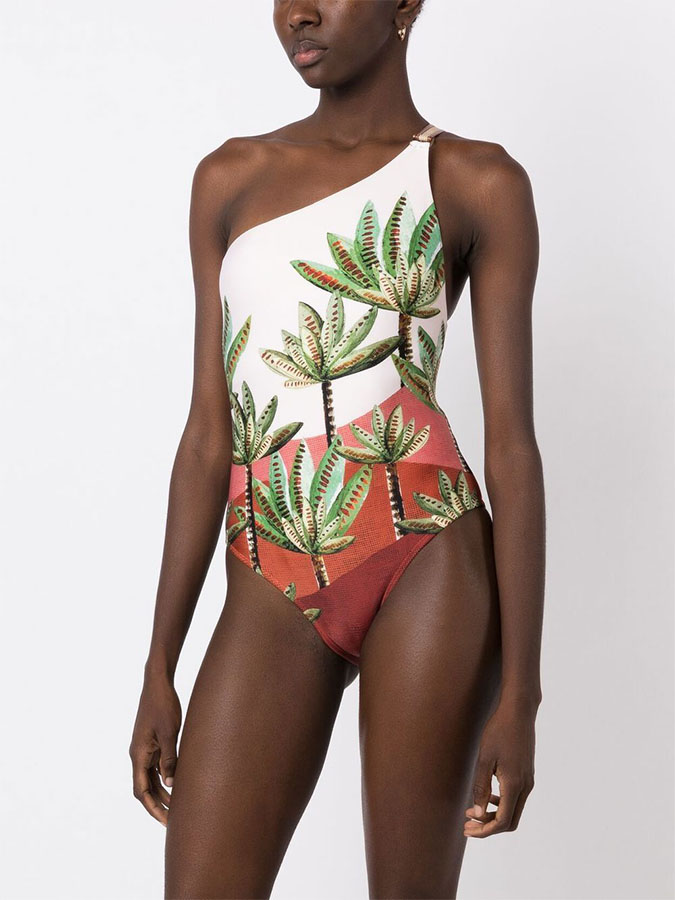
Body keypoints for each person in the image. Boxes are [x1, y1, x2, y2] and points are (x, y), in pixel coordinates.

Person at [130, 1, 545, 897]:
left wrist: (521, 692)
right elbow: (207, 435)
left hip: (426, 553)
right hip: (269, 566)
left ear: (405, 4)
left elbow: (511, 448)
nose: (298, 13)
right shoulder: (229, 178)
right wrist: (160, 666)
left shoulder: (474, 179)